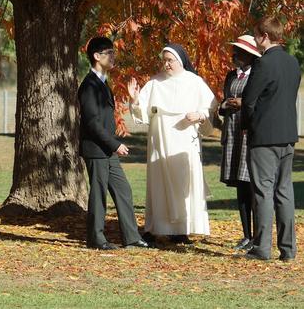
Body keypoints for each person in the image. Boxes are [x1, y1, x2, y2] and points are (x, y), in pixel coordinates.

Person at [127, 44, 217, 244]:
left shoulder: (194, 82)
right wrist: (134, 100)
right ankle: (156, 226)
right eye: (164, 60)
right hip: (160, 139)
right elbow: (141, 112)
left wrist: (200, 115)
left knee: (183, 182)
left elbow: (209, 107)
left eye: (170, 60)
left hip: (185, 139)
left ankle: (181, 230)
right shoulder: (155, 83)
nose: (166, 64)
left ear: (180, 61)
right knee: (158, 181)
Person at [78, 37, 149, 250]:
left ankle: (132, 238)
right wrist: (115, 144)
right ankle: (96, 239)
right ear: (96, 57)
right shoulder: (89, 85)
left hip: (107, 150)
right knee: (98, 194)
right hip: (97, 149)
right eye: (108, 52)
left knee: (123, 190)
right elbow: (91, 123)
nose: (113, 56)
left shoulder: (102, 82)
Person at [241, 16, 300, 262]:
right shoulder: (293, 62)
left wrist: (246, 126)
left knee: (263, 192)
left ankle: (262, 248)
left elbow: (249, 100)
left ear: (265, 36)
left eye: (256, 36)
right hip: (287, 134)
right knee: (284, 191)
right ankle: (288, 250)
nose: (255, 41)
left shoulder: (263, 64)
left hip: (264, 136)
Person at [219, 35, 261, 251]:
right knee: (241, 187)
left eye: (239, 52)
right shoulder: (230, 76)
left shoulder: (258, 75)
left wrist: (244, 102)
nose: (234, 55)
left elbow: (263, 102)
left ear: (250, 56)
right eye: (234, 51)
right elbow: (221, 105)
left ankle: (258, 237)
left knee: (252, 186)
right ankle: (246, 235)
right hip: (233, 135)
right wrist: (225, 104)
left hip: (249, 135)